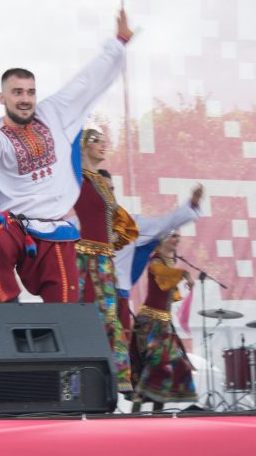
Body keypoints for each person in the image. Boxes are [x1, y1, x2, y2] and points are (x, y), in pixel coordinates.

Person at [0, 11, 133, 303]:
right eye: (17, 92)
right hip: (14, 227)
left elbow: (88, 81)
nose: (25, 99)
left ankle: (59, 327)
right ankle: (5, 311)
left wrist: (119, 42)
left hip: (54, 230)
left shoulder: (54, 113)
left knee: (65, 306)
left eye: (30, 92)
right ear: (2, 98)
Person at [72, 130, 138, 393]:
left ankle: (115, 377)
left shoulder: (102, 183)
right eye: (96, 140)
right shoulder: (73, 178)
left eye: (104, 141)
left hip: (103, 261)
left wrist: (112, 238)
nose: (103, 145)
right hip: (78, 258)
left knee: (109, 316)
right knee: (78, 313)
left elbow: (124, 224)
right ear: (83, 146)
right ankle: (74, 381)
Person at [107, 170, 203, 333]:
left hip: (117, 294)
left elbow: (163, 223)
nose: (106, 193)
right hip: (88, 296)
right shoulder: (77, 223)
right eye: (101, 187)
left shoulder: (128, 224)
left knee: (117, 343)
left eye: (111, 189)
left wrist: (192, 204)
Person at [132, 231, 197, 410]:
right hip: (149, 322)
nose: (178, 239)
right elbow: (163, 275)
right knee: (157, 365)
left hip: (164, 323)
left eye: (179, 236)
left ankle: (157, 414)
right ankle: (135, 413)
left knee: (172, 366)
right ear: (163, 239)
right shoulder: (155, 261)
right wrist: (185, 274)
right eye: (174, 236)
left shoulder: (170, 262)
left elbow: (168, 284)